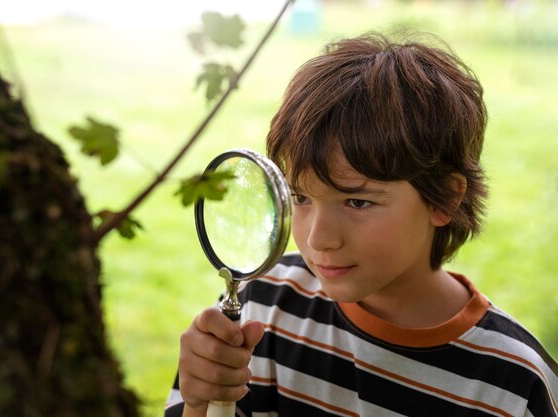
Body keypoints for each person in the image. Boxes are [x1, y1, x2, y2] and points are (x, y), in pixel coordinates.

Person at [165, 32, 558, 417]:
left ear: (444, 198)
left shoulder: (513, 385)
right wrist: (199, 405)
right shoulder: (263, 306)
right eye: (299, 197)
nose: (318, 239)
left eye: (357, 201)